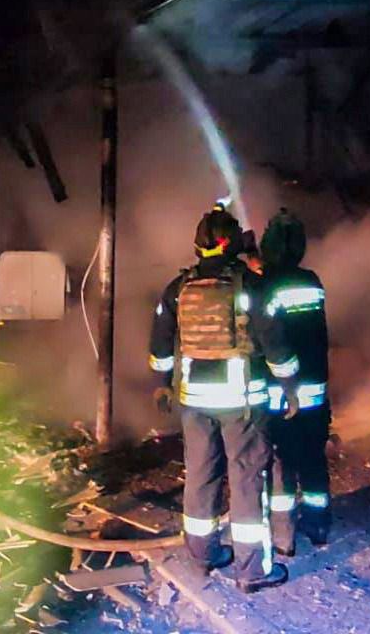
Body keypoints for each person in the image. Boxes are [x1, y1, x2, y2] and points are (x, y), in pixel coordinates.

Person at [149, 202, 300, 593]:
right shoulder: (251, 286)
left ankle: (202, 556)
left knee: (200, 475)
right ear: (232, 243)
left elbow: (161, 343)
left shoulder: (178, 288)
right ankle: (252, 571)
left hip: (195, 402)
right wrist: (290, 386)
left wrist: (162, 382)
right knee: (247, 478)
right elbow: (276, 344)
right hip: (242, 403)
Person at [260, 208, 330, 555]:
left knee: (282, 464)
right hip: (315, 390)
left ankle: (284, 537)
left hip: (280, 394)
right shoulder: (313, 282)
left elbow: (267, 338)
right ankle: (319, 525)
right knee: (314, 458)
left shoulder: (266, 285)